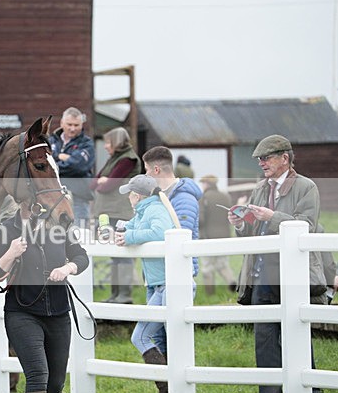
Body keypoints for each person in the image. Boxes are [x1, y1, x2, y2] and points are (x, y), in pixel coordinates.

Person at [228, 134, 323, 393]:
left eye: (266, 157)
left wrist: (272, 217)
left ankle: (312, 387)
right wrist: (239, 223)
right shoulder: (260, 189)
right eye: (259, 159)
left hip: (290, 272)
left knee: (295, 329)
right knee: (264, 333)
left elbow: (307, 225)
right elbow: (251, 234)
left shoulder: (307, 187)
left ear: (285, 158)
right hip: (261, 272)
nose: (261, 163)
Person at [0, 201, 90, 393]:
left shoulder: (60, 226)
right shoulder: (6, 229)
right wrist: (10, 253)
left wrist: (68, 268)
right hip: (22, 312)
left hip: (58, 311)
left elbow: (81, 256)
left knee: (55, 383)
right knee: (37, 374)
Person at [115, 174, 177, 393]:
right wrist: (120, 231)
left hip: (165, 283)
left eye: (130, 194)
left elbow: (159, 234)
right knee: (159, 340)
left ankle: (166, 390)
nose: (129, 198)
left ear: (137, 196)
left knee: (140, 336)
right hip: (156, 283)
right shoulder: (144, 211)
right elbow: (132, 226)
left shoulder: (154, 211)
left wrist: (128, 236)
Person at [92, 127, 141, 304]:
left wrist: (103, 181)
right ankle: (115, 295)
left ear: (117, 142)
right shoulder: (114, 159)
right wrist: (102, 181)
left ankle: (124, 295)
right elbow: (94, 183)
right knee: (114, 255)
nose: (105, 146)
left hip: (120, 213)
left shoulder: (128, 160)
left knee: (123, 254)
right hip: (109, 213)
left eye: (108, 142)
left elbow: (106, 186)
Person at [143, 146, 202, 279]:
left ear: (156, 170)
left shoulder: (184, 199)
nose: (146, 175)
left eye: (147, 170)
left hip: (177, 271)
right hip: (159, 271)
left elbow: (179, 236)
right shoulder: (158, 197)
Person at [49, 107, 95, 228]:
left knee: (80, 234)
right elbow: (45, 165)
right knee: (55, 234)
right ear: (62, 123)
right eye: (69, 124)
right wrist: (64, 157)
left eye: (76, 125)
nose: (73, 128)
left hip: (78, 197)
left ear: (81, 124)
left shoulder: (87, 143)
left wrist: (55, 162)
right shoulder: (50, 141)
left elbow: (80, 166)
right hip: (54, 197)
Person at [198, 175, 237, 294]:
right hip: (224, 235)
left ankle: (210, 294)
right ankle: (232, 283)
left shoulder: (203, 198)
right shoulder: (225, 196)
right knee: (222, 265)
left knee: (207, 267)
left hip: (207, 237)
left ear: (206, 184)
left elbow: (201, 220)